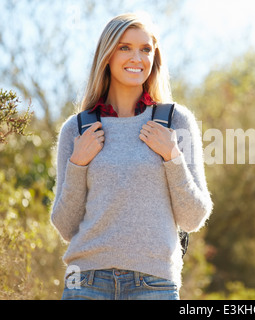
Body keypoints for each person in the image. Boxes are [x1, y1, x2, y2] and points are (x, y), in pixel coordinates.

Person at [51, 12, 213, 300]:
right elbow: (65, 227)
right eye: (125, 47)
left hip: (156, 284)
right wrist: (78, 164)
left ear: (155, 58)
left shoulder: (175, 122)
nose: (137, 58)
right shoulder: (76, 130)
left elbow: (193, 217)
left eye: (146, 49)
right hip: (85, 283)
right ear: (107, 55)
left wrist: (172, 156)